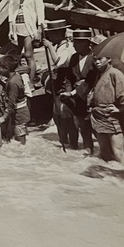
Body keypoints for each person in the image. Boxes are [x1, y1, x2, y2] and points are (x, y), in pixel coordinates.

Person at [89, 56, 124, 166]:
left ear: (109, 59)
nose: (97, 62)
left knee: (118, 152)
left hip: (110, 115)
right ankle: (110, 178)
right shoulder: (100, 73)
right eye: (95, 59)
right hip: (99, 115)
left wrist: (120, 108)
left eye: (100, 59)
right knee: (104, 152)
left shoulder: (114, 73)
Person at [60, 29, 99, 152]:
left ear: (87, 43)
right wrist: (69, 92)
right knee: (83, 126)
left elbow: (91, 81)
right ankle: (88, 151)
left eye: (78, 42)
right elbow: (69, 77)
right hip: (77, 98)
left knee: (95, 128)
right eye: (74, 42)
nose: (75, 45)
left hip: (91, 98)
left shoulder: (95, 59)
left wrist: (72, 92)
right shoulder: (74, 57)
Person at [42, 19, 78, 149]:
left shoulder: (68, 48)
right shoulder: (59, 46)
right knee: (58, 118)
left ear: (59, 34)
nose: (50, 37)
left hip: (65, 86)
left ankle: (73, 146)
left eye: (51, 34)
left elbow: (58, 62)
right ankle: (64, 143)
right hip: (57, 86)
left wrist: (49, 47)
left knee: (67, 119)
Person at [8, 0, 45, 82]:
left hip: (29, 28)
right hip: (17, 27)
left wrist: (39, 29)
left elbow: (40, 13)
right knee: (17, 56)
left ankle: (31, 80)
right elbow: (11, 11)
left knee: (29, 55)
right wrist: (10, 29)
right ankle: (20, 79)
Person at [0, 55, 30, 145]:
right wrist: (0, 81)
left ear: (6, 68)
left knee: (20, 140)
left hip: (19, 113)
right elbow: (12, 92)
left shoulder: (13, 82)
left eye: (0, 68)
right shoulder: (15, 77)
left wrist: (3, 117)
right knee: (17, 138)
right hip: (19, 111)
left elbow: (12, 102)